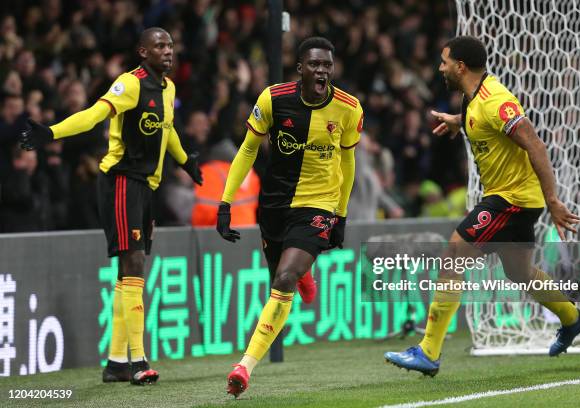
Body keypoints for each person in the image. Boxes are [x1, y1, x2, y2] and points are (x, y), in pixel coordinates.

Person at [384, 36, 580, 376]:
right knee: (518, 272)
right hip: (516, 199)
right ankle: (572, 317)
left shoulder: (496, 101)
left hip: (512, 199)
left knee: (453, 254)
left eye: (444, 61)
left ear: (460, 66)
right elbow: (479, 121)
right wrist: (457, 121)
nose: (440, 67)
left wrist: (553, 200)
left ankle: (428, 351)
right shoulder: (472, 97)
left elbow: (535, 145)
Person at [19, 27, 202, 385]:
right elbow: (93, 114)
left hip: (145, 187)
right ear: (142, 52)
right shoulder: (130, 84)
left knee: (129, 270)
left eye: (170, 45)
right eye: (159, 46)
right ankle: (138, 361)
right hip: (121, 181)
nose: (167, 51)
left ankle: (117, 362)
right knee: (133, 263)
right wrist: (52, 132)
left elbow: (167, 128)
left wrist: (184, 161)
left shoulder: (168, 88)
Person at [216, 37, 363, 397]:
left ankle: (243, 368)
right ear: (300, 68)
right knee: (279, 281)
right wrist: (225, 202)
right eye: (314, 65)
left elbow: (347, 161)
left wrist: (340, 214)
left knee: (284, 278)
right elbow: (248, 149)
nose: (321, 71)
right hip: (275, 206)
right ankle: (305, 270)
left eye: (327, 65)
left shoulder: (348, 108)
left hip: (319, 204)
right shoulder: (273, 99)